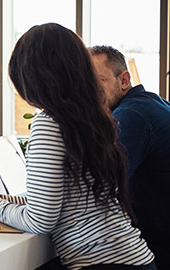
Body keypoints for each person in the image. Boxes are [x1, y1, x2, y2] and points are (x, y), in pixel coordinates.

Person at [0, 23, 156, 269]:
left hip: (101, 263)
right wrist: (2, 199)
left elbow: (41, 220)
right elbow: (70, 198)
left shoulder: (49, 123)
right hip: (135, 259)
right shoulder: (95, 118)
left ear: (31, 76)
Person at [90, 45, 170, 270]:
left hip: (158, 248)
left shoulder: (130, 115)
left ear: (124, 80)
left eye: (98, 82)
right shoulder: (150, 103)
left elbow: (100, 188)